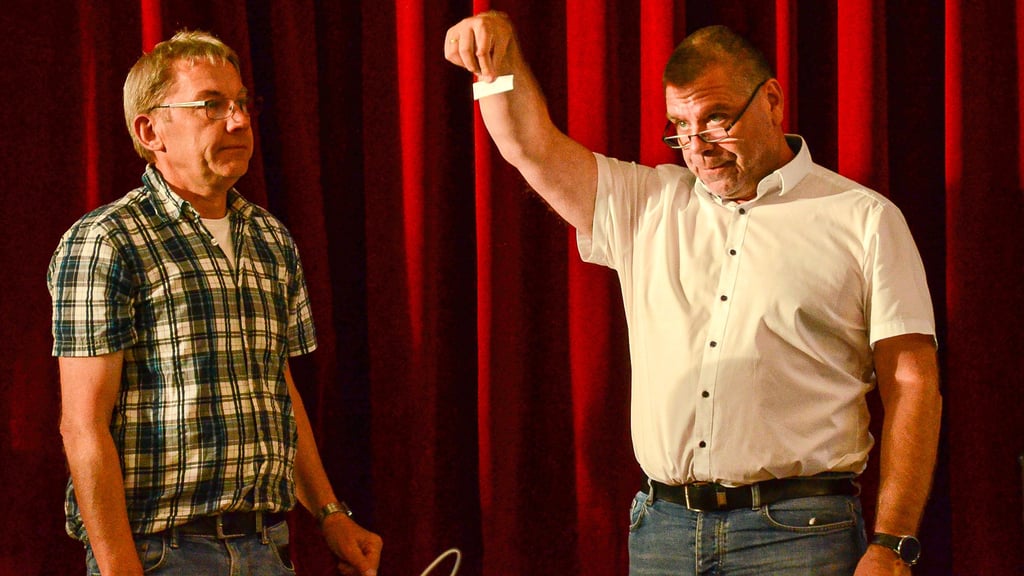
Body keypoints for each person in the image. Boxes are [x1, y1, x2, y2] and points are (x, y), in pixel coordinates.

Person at [445, 12, 941, 576]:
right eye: (680, 126)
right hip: (664, 531)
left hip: (800, 535)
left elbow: (912, 384)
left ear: (772, 101)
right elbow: (530, 147)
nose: (697, 146)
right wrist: (498, 59)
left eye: (717, 119)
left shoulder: (865, 220)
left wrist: (892, 542)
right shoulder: (648, 203)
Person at [48, 30, 382, 576]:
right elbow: (83, 425)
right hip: (161, 552)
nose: (239, 121)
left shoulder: (271, 238)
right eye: (211, 105)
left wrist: (329, 514)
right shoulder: (107, 240)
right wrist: (118, 567)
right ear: (150, 130)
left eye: (242, 103)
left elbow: (276, 389)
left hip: (268, 546)